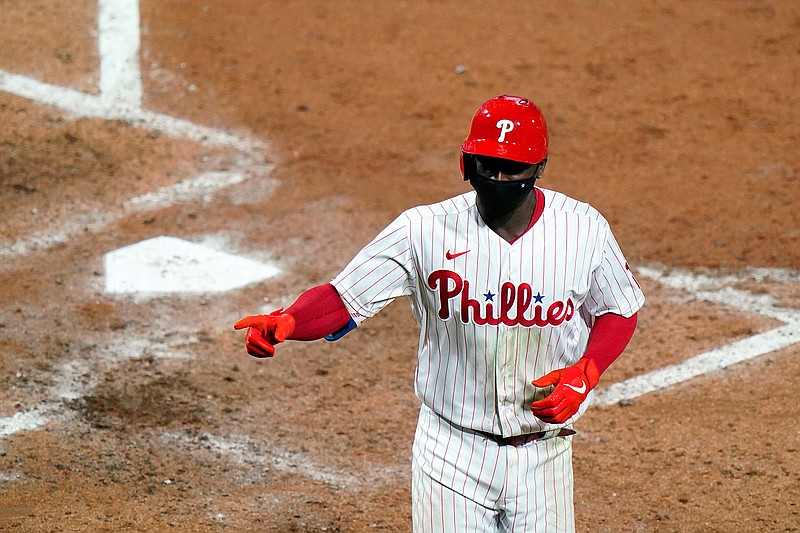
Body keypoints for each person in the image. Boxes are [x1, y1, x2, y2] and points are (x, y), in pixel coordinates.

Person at [234, 94, 645, 532]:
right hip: (452, 453)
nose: (500, 178)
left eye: (513, 169)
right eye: (488, 166)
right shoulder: (422, 230)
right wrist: (291, 322)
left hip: (544, 457)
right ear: (466, 163)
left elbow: (618, 307)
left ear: (540, 168)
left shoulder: (582, 229)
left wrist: (588, 369)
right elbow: (342, 298)